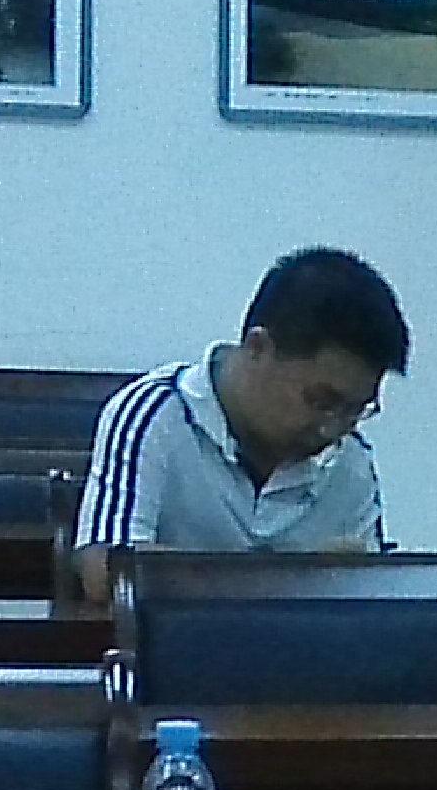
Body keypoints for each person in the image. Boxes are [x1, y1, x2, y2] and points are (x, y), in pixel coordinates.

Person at [74, 247, 403, 599]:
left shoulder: (350, 460)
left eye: (356, 410)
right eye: (322, 402)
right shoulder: (156, 415)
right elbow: (107, 569)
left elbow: (371, 597)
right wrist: (297, 578)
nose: (333, 429)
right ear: (258, 347)